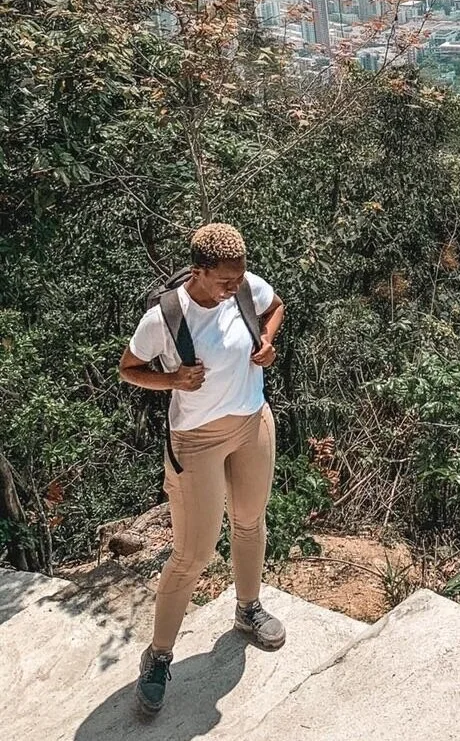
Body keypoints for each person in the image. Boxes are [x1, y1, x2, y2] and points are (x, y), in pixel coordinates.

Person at [118, 222, 286, 715]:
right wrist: (172, 379)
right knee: (193, 553)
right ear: (199, 271)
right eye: (225, 280)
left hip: (252, 422)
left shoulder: (246, 287)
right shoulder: (165, 317)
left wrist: (266, 343)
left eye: (239, 277)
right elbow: (128, 368)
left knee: (250, 521)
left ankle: (248, 608)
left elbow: (275, 306)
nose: (235, 286)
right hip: (196, 441)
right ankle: (158, 656)